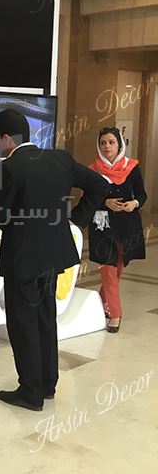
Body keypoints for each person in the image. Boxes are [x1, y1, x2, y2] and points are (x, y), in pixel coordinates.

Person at [0, 109, 108, 411]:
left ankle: (30, 392)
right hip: (54, 254)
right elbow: (100, 185)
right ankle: (47, 383)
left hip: (22, 258)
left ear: (6, 138)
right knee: (44, 317)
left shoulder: (9, 168)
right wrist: (76, 220)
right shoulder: (60, 158)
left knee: (23, 323)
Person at [87, 127, 147, 333]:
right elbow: (88, 198)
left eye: (111, 142)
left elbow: (142, 194)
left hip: (127, 225)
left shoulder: (132, 167)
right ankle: (115, 314)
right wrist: (105, 202)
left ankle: (101, 302)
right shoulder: (93, 170)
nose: (107, 147)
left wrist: (134, 204)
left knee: (118, 268)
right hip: (102, 225)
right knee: (108, 268)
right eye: (103, 143)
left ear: (119, 145)